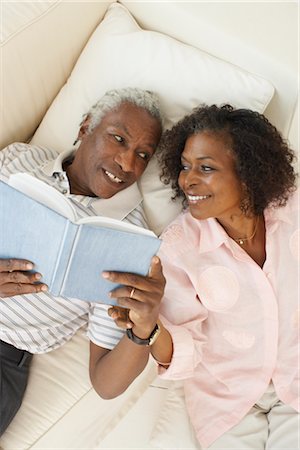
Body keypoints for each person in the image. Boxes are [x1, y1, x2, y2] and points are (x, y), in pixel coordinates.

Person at [107, 103, 299, 449]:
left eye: (206, 168)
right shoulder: (178, 249)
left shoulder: (293, 211)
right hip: (229, 402)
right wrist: (149, 328)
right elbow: (185, 350)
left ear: (248, 172)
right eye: (184, 167)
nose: (187, 180)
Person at [0, 87, 166, 435]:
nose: (127, 164)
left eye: (143, 154)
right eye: (118, 139)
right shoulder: (20, 160)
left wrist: (144, 325)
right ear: (86, 127)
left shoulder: (130, 241)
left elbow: (106, 384)